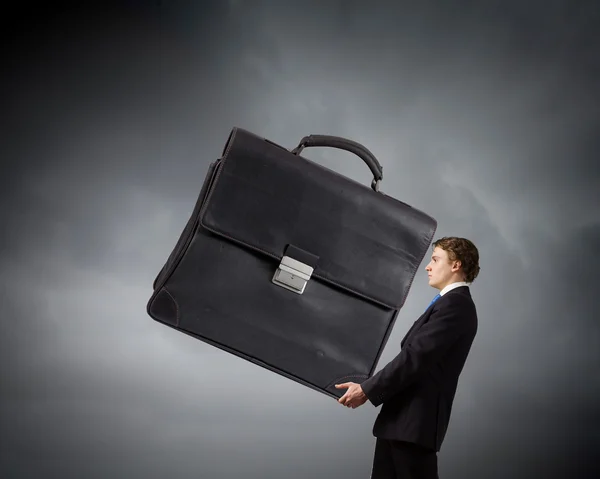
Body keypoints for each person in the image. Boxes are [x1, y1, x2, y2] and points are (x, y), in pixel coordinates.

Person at [335, 236, 481, 479]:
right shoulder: (448, 304)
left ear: (456, 265)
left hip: (414, 426)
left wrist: (367, 390)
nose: (428, 266)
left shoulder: (457, 305)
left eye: (435, 259)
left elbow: (416, 357)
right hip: (400, 423)